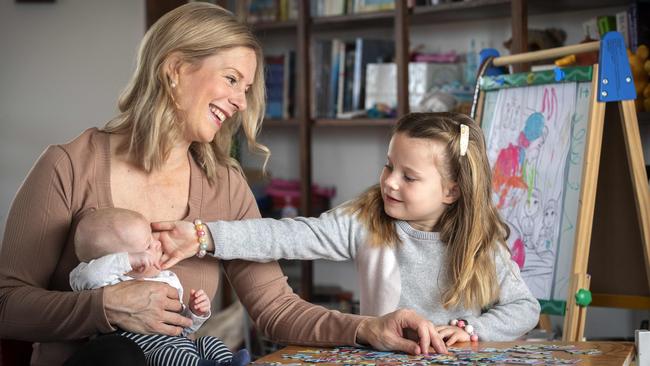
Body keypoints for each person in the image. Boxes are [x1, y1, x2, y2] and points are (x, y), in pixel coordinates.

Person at [0, 4, 446, 366]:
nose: (239, 101)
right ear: (174, 69)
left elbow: (275, 308)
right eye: (231, 79)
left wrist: (366, 327)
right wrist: (103, 307)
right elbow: (6, 305)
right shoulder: (69, 166)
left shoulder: (224, 184)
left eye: (246, 88)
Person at [155, 112, 541, 346]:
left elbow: (525, 309)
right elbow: (289, 235)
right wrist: (204, 235)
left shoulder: (480, 245)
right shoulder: (366, 220)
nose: (389, 182)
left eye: (410, 177)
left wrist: (472, 329)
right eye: (390, 166)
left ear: (452, 190)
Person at [70, 207, 250, 366]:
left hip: (184, 345)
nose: (157, 244)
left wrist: (195, 314)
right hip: (149, 354)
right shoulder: (104, 281)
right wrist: (128, 261)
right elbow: (86, 276)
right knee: (167, 355)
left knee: (209, 342)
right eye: (148, 245)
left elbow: (182, 327)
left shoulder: (166, 279)